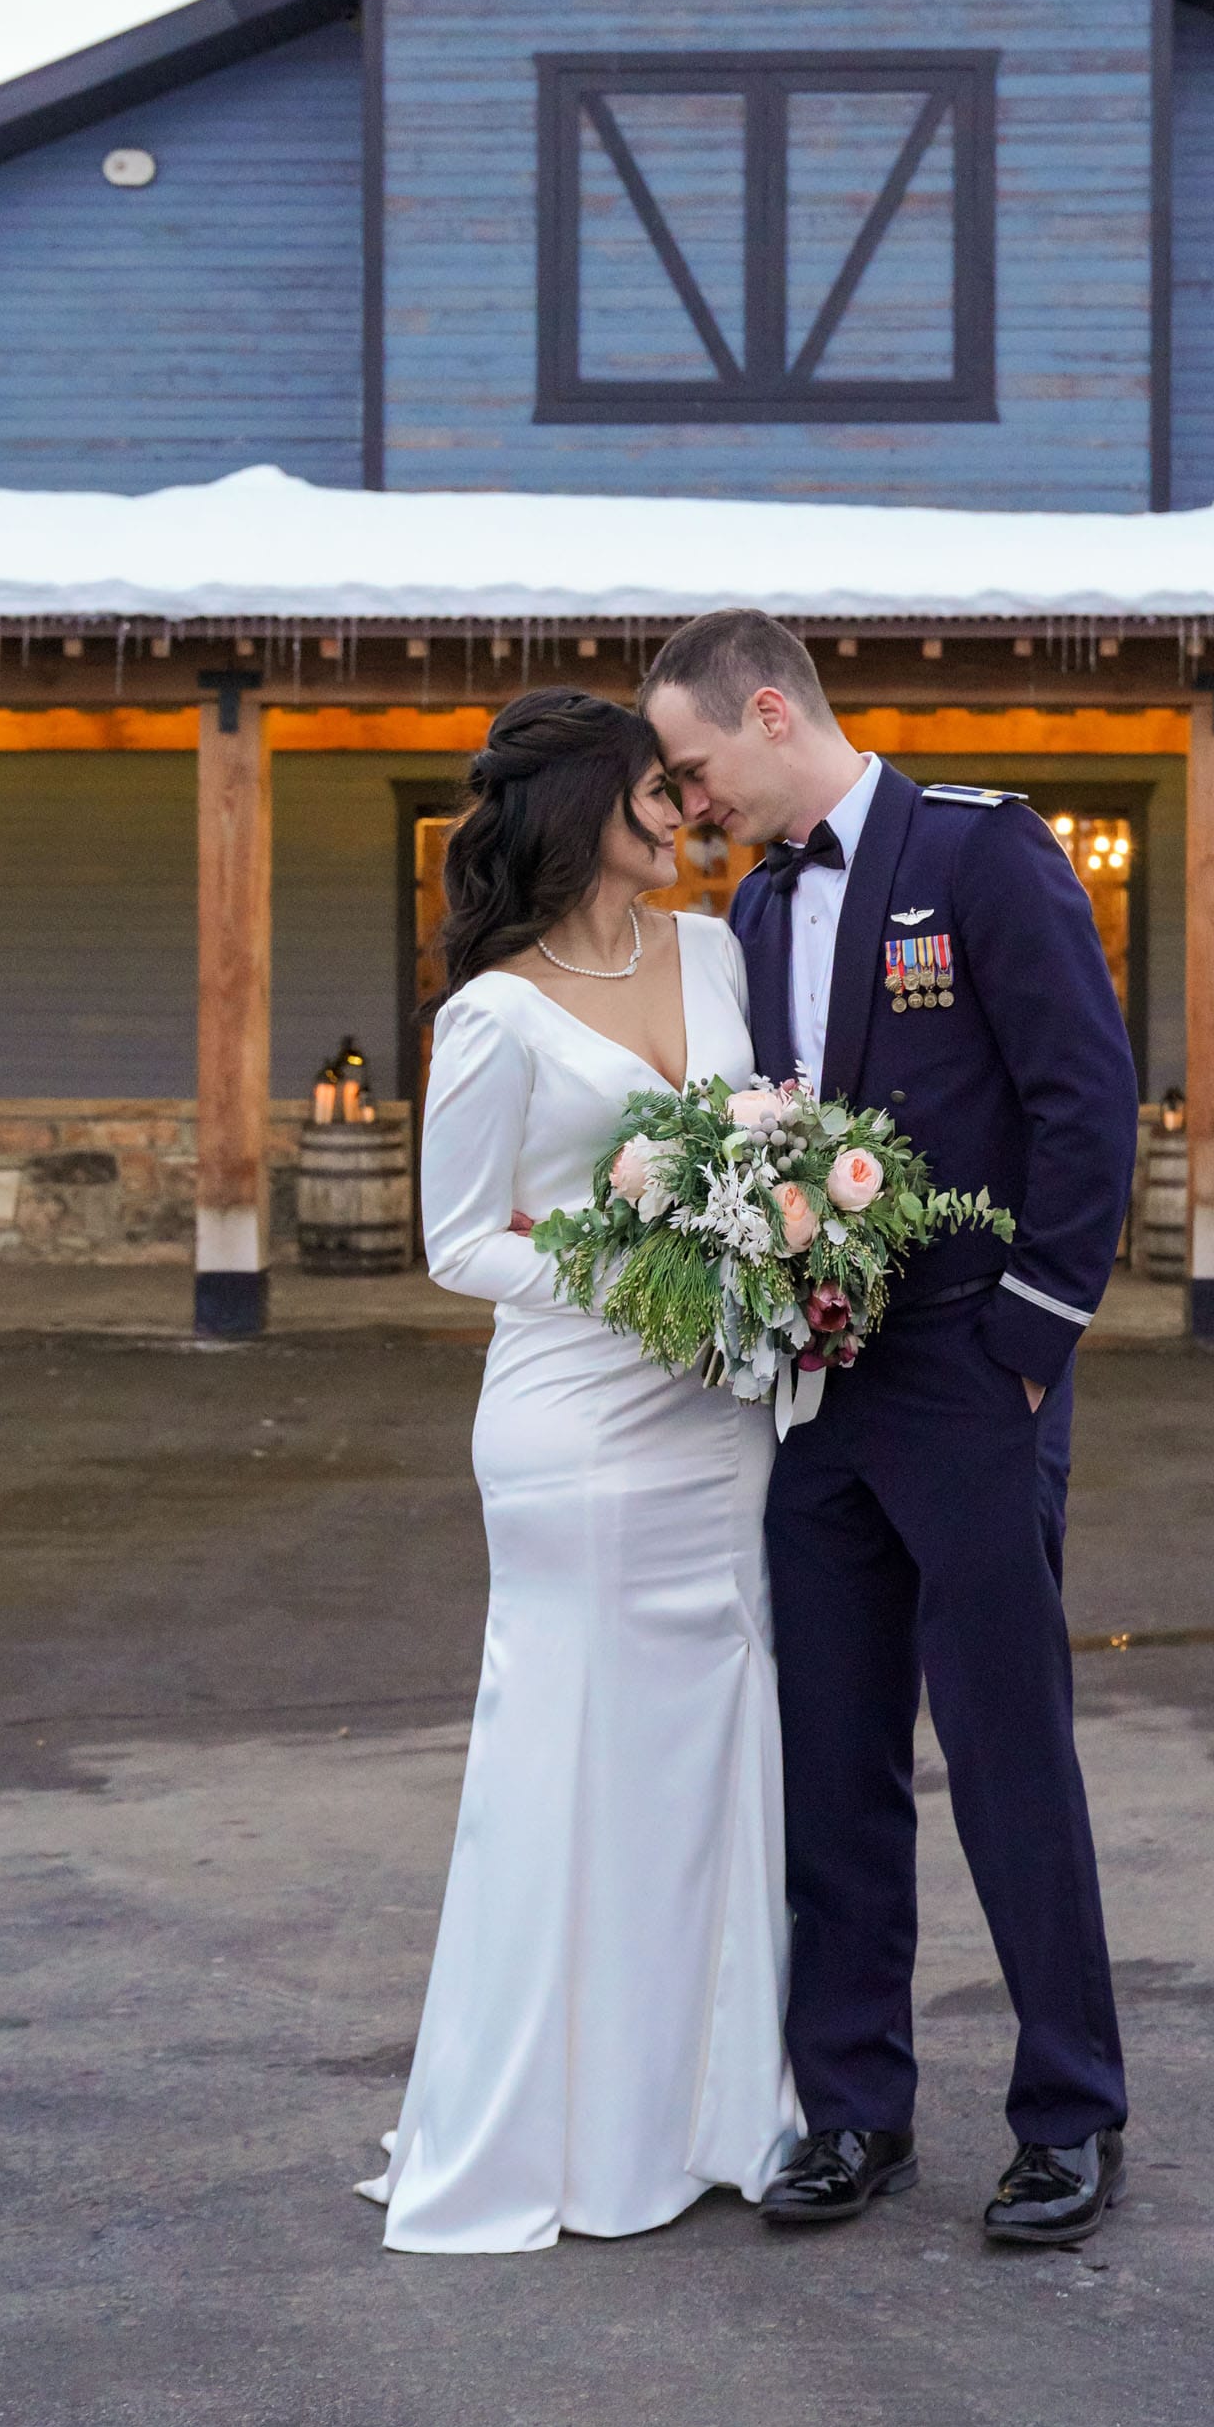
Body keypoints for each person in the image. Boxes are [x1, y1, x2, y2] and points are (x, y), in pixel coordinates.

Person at [642, 613, 1141, 2250]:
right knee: (834, 1758)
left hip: (969, 1377)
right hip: (818, 1397)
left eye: (697, 768)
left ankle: (1069, 2116)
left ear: (768, 711)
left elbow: (1085, 1098)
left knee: (1007, 1754)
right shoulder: (758, 904)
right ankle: (855, 2108)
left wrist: (1030, 1348)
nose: (692, 804)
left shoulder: (979, 855)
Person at [358, 687, 799, 2253]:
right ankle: (553, 2133)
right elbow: (458, 1243)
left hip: (720, 1424)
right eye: (655, 795)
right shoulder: (492, 1014)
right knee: (574, 1759)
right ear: (582, 813)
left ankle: (713, 2114)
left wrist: (775, 1254)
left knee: (714, 1751)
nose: (684, 815)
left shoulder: (717, 954)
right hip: (580, 1431)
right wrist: (648, 1275)